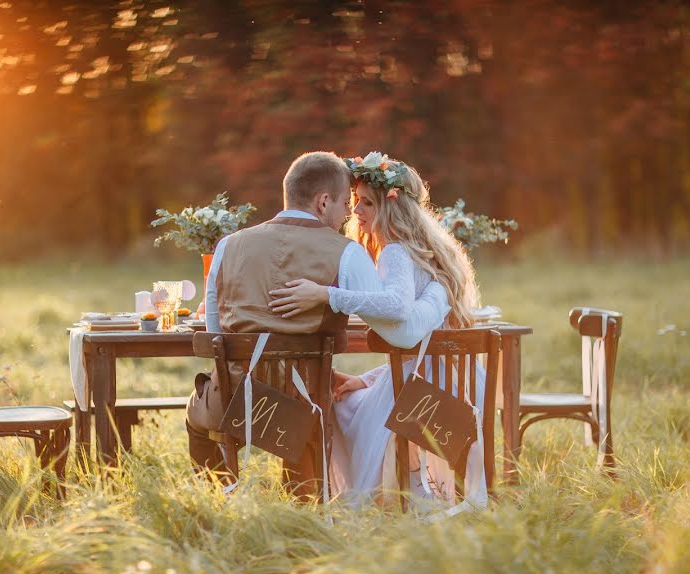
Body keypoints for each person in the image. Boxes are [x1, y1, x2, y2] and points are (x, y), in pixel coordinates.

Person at [186, 151, 451, 491]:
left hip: (236, 401)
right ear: (324, 201)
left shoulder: (227, 246)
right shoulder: (348, 253)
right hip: (303, 405)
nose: (347, 215)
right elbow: (392, 319)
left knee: (197, 411)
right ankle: (304, 508)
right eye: (344, 204)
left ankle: (215, 499)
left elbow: (215, 333)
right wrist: (436, 295)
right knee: (311, 404)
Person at [267, 152, 485, 511]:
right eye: (354, 203)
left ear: (391, 207)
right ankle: (413, 488)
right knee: (355, 393)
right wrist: (367, 379)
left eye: (367, 203)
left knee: (339, 406)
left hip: (425, 396)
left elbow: (399, 312)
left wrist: (326, 295)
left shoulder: (395, 252)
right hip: (458, 389)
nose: (357, 212)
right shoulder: (431, 255)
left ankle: (336, 498)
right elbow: (421, 348)